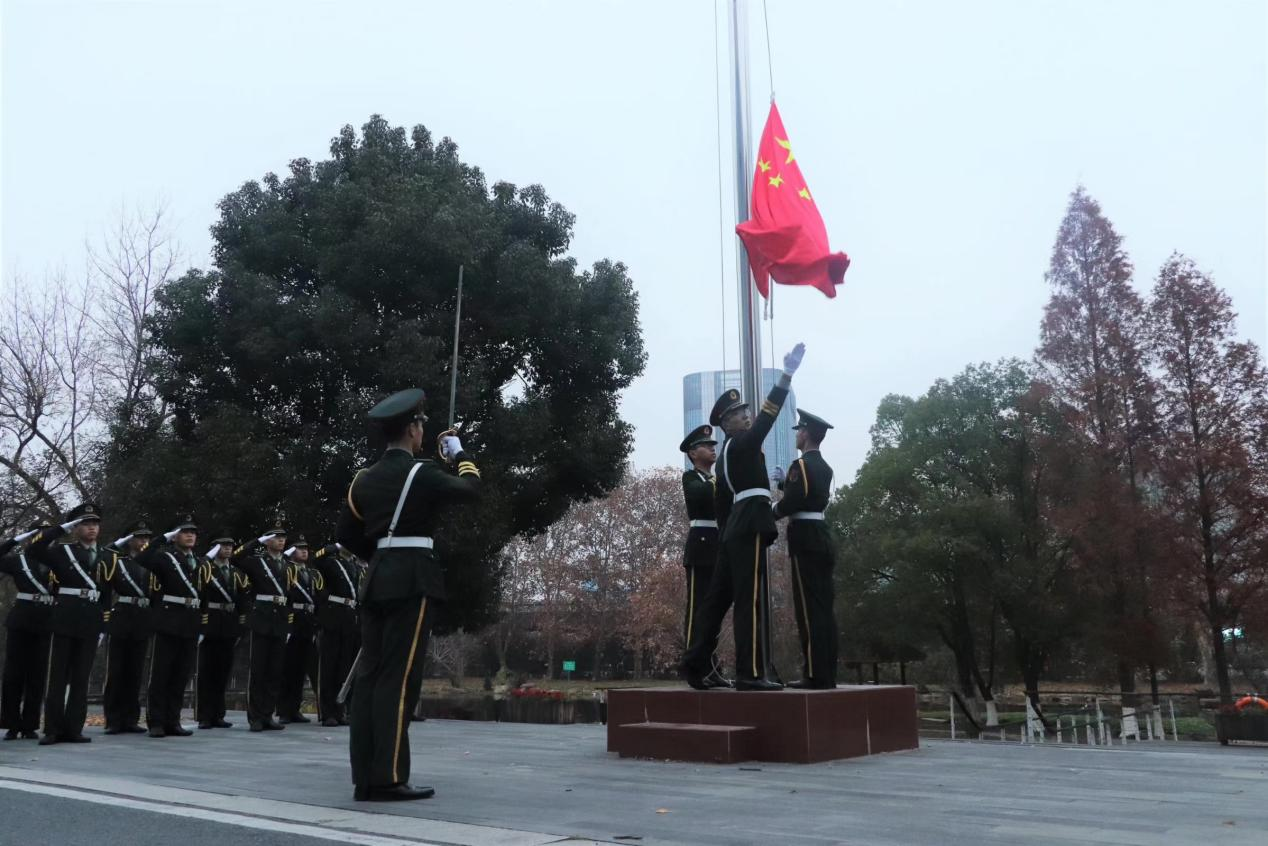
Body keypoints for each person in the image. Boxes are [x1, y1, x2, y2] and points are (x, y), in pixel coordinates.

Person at [335, 388, 481, 802]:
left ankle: (365, 777)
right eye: (421, 425)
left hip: (377, 578)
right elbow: (471, 489)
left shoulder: (363, 479)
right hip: (412, 579)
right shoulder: (422, 473)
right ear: (414, 430)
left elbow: (346, 534)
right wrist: (458, 452)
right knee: (399, 679)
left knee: (370, 677)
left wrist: (383, 556)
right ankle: (388, 777)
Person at [682, 343, 805, 691]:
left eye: (746, 411)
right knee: (747, 599)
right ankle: (749, 673)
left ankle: (693, 664)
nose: (747, 415)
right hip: (748, 524)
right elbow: (769, 416)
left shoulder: (725, 456)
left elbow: (722, 503)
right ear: (726, 423)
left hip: (733, 530)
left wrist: (724, 536)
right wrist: (786, 376)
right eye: (739, 414)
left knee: (716, 601)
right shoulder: (742, 444)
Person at [28, 503, 110, 744]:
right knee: (58, 675)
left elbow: (106, 591)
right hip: (65, 616)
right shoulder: (62, 551)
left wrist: (104, 623)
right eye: (85, 523)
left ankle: (74, 728)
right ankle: (52, 729)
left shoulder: (106, 555)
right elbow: (34, 549)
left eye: (95, 523)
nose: (92, 528)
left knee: (81, 677)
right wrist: (60, 529)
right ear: (75, 528)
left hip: (91, 619)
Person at [774, 410, 839, 689]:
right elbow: (807, 493)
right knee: (824, 608)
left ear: (806, 434)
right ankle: (827, 672)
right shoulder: (824, 467)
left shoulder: (799, 465)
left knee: (808, 609)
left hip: (804, 537)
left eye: (799, 431)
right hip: (821, 535)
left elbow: (793, 502)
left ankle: (813, 674)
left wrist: (769, 511)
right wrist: (784, 483)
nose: (797, 435)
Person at [135, 515, 202, 737]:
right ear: (175, 536)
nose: (190, 535)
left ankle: (173, 721)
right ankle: (156, 721)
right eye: (185, 532)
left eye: (193, 532)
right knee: (161, 673)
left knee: (181, 674)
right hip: (169, 619)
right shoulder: (165, 558)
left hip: (190, 620)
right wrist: (162, 538)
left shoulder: (199, 561)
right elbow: (142, 558)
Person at [230, 519, 293, 732]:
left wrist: (289, 622)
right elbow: (235, 557)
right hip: (262, 618)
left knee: (275, 671)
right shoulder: (257, 562)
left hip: (280, 619)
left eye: (283, 537)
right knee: (258, 670)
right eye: (276, 537)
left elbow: (290, 594)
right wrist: (257, 541)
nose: (281, 540)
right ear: (267, 541)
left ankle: (268, 714)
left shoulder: (287, 564)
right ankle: (255, 716)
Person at [678, 424, 729, 688]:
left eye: (712, 445)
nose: (712, 449)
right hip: (701, 547)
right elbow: (702, 495)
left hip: (718, 545)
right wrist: (721, 481)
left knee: (714, 611)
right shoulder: (691, 478)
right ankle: (694, 667)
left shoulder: (715, 479)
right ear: (692, 453)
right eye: (706, 446)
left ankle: (711, 666)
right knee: (697, 609)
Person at [100, 520, 155, 734]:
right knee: (116, 671)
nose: (144, 541)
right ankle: (113, 719)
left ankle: (131, 718)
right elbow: (104, 554)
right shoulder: (118, 561)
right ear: (129, 540)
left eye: (146, 537)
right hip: (122, 616)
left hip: (143, 617)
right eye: (139, 537)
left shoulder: (151, 563)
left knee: (135, 672)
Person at [0, 523, 54, 740]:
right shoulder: (18, 561)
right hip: (22, 619)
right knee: (14, 673)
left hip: (46, 619)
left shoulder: (56, 561)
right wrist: (15, 540)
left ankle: (30, 724)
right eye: (39, 535)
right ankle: (11, 723)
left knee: (37, 674)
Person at [196, 533, 244, 729]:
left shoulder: (235, 572)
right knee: (207, 670)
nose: (228, 548)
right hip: (212, 620)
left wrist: (240, 624)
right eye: (223, 545)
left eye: (230, 545)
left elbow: (242, 598)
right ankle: (204, 715)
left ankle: (218, 714)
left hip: (229, 623)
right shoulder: (206, 568)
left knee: (223, 671)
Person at [311, 542, 361, 727]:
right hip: (333, 616)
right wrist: (336, 544)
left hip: (350, 617)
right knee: (329, 666)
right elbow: (316, 559)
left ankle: (340, 711)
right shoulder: (330, 562)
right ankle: (328, 713)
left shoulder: (353, 565)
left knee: (344, 667)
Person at [277, 535, 321, 724]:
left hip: (308, 621)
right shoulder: (286, 569)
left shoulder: (312, 573)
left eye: (305, 548)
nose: (304, 551)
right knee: (288, 667)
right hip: (292, 619)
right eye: (299, 548)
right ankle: (284, 710)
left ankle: (294, 708)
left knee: (301, 668)